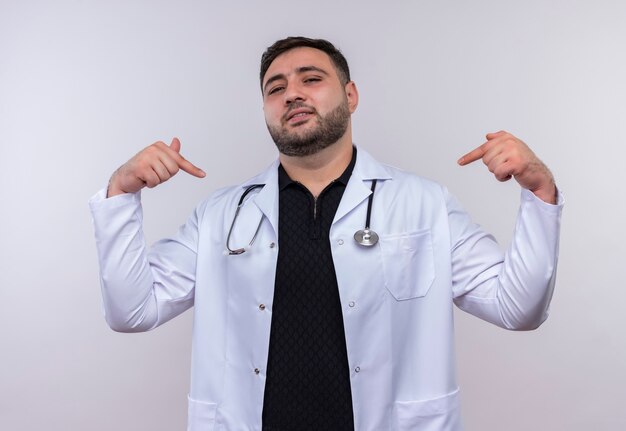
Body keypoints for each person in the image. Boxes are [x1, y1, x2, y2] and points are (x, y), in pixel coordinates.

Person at [89, 36, 562, 431]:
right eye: (276, 88)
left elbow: (517, 308)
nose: (292, 94)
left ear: (351, 95)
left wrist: (538, 192)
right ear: (265, 109)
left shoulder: (424, 205)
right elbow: (133, 311)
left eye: (311, 79)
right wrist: (120, 195)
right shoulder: (220, 215)